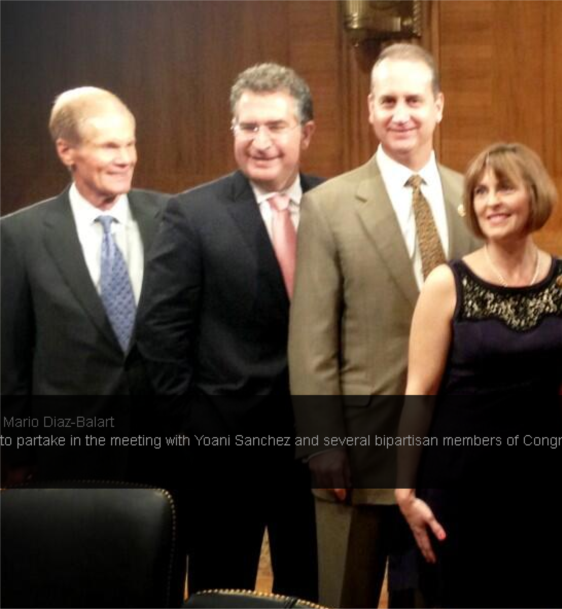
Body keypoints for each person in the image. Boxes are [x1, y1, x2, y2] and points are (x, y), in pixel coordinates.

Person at [288, 43, 478, 609]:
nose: (401, 114)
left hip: (447, 452)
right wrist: (322, 441)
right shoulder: (327, 205)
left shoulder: (474, 197)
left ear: (439, 106)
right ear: (369, 108)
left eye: (414, 100)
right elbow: (311, 338)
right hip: (357, 453)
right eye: (388, 101)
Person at [133, 63, 319, 599]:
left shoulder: (334, 204)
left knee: (308, 588)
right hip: (220, 454)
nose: (260, 141)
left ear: (306, 132)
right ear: (232, 131)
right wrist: (191, 428)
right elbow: (160, 332)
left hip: (315, 448)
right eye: (247, 126)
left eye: (275, 126)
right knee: (220, 590)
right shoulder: (191, 213)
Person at [396, 142, 562, 609]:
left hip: (545, 484)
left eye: (504, 187)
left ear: (535, 194)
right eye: (480, 191)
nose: (491, 201)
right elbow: (419, 391)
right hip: (461, 486)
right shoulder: (446, 284)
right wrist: (404, 491)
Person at [0, 87, 165, 481]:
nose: (125, 158)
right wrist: (16, 454)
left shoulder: (172, 218)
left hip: (162, 444)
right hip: (69, 452)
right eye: (109, 146)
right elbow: (9, 359)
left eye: (130, 144)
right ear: (66, 151)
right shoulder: (19, 236)